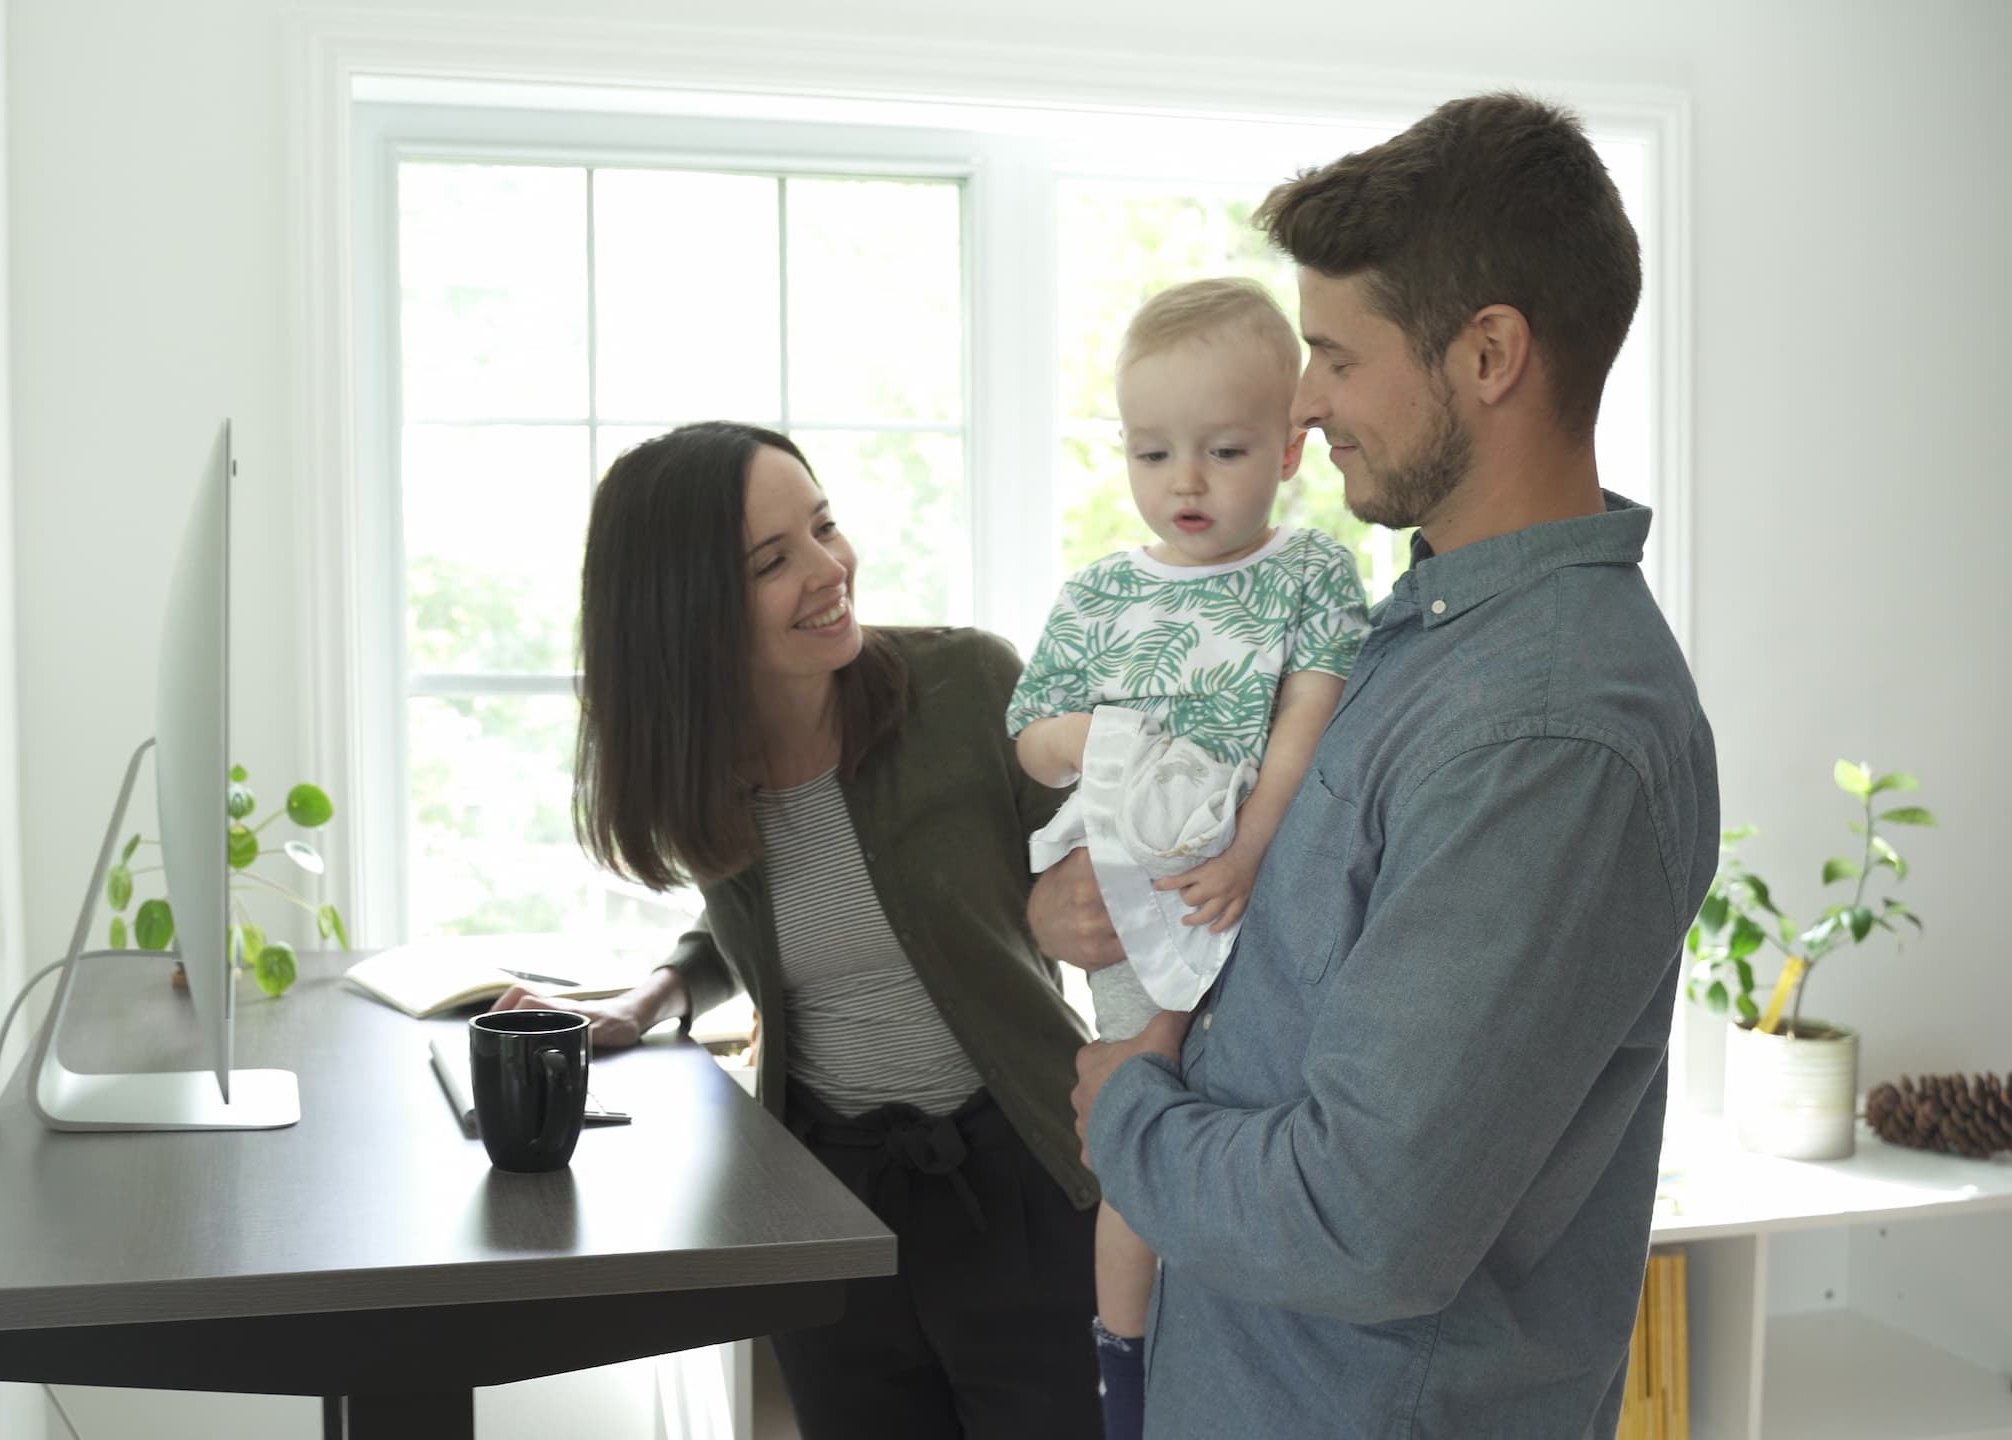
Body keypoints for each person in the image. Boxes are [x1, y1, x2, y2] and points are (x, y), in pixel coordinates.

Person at [1046, 92, 1720, 1437]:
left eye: (1337, 359)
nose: (1303, 403)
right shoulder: (1417, 641)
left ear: (1489, 355)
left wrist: (1128, 1110)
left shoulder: (1549, 734)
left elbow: (1358, 1226)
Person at [492, 420, 1102, 1436]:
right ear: (688, 616)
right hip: (826, 1197)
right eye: (774, 561)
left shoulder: (968, 689)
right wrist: (655, 996)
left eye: (823, 527)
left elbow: (1112, 882)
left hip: (1022, 1177)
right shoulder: (699, 768)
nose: (830, 570)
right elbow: (770, 919)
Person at [1005, 276, 1368, 1439]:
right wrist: (1114, 737)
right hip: (1125, 868)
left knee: (1238, 1120)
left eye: (1222, 448)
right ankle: (1121, 1363)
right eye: (1153, 452)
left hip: (1251, 870)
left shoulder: (1306, 575)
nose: (1187, 482)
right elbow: (1034, 738)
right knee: (1139, 1111)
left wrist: (1251, 855)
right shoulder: (1104, 592)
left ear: (1290, 445)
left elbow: (1302, 738)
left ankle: (1222, 1358)